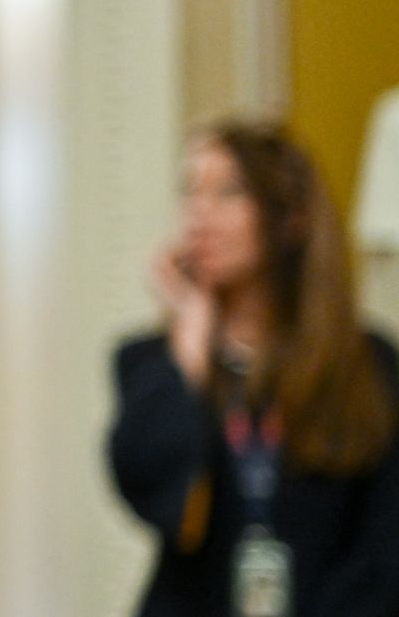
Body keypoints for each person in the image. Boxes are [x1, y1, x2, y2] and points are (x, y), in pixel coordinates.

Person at [109, 121, 399, 616]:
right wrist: (191, 344)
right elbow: (153, 496)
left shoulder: (366, 363)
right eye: (190, 191)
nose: (199, 214)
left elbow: (384, 547)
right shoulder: (154, 361)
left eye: (228, 192)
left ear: (288, 217)